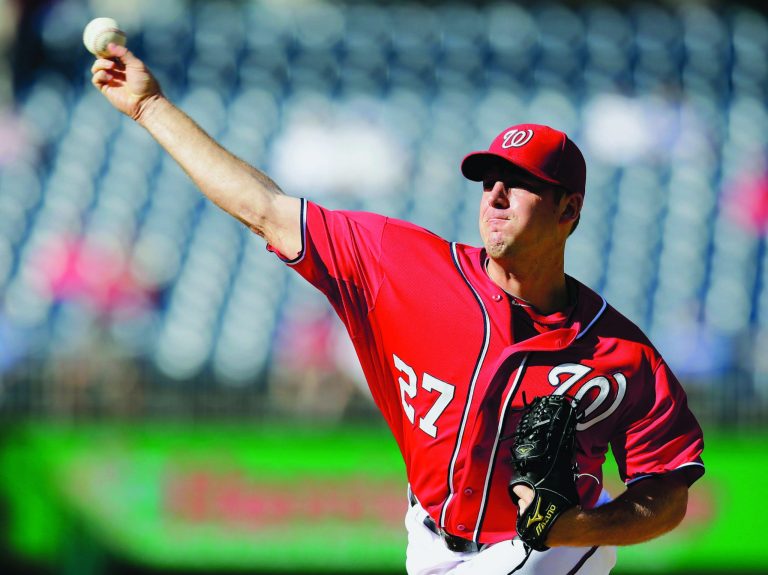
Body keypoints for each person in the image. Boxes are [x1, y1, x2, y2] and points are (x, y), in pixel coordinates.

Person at [90, 43, 704, 575]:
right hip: (428, 538)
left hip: (545, 550)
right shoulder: (402, 265)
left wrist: (579, 528)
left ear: (568, 210)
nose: (493, 193)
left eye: (518, 182)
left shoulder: (620, 354)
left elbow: (668, 489)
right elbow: (265, 208)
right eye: (488, 177)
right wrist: (150, 107)